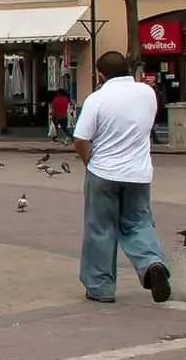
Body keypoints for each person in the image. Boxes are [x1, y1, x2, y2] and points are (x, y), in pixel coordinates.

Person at [73, 50, 171, 305]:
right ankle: (152, 263)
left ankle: (100, 287)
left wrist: (89, 162)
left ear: (101, 75)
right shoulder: (147, 93)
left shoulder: (97, 98)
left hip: (103, 171)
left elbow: (81, 138)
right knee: (139, 223)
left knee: (100, 229)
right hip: (138, 173)